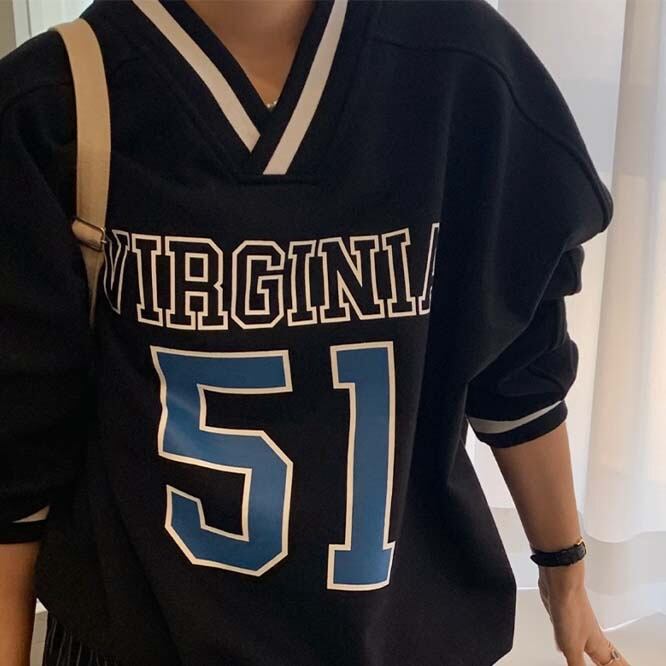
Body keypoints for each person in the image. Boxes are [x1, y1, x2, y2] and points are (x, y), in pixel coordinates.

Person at [0, 0, 625, 665]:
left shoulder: (461, 66)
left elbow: (518, 363)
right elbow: (18, 456)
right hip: (138, 637)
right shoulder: (55, 104)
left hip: (403, 636)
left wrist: (565, 573)